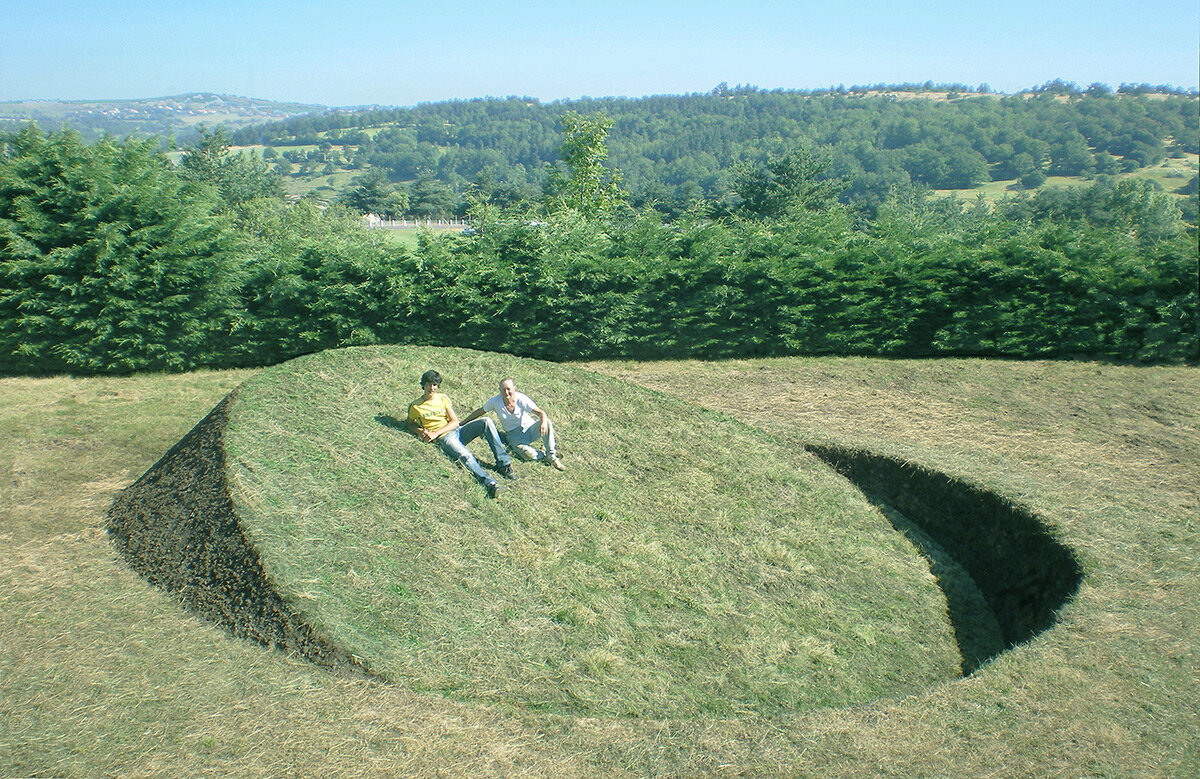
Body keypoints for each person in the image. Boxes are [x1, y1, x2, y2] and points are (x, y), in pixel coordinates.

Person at [406, 369, 517, 499]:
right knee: (466, 455)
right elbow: (409, 424)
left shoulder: (442, 398)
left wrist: (435, 433)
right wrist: (420, 431)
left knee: (486, 421)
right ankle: (490, 484)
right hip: (445, 438)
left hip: (455, 431)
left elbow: (454, 422)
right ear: (423, 385)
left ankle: (503, 464)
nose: (432, 388)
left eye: (435, 385)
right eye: (429, 384)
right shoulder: (415, 406)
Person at [463, 378, 565, 471]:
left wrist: (542, 421)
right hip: (514, 435)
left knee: (547, 422)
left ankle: (552, 456)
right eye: (503, 390)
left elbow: (541, 412)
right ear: (499, 390)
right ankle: (543, 454)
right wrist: (463, 423)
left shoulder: (521, 398)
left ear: (514, 388)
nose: (506, 392)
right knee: (527, 455)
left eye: (508, 389)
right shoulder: (495, 401)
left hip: (529, 428)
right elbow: (480, 411)